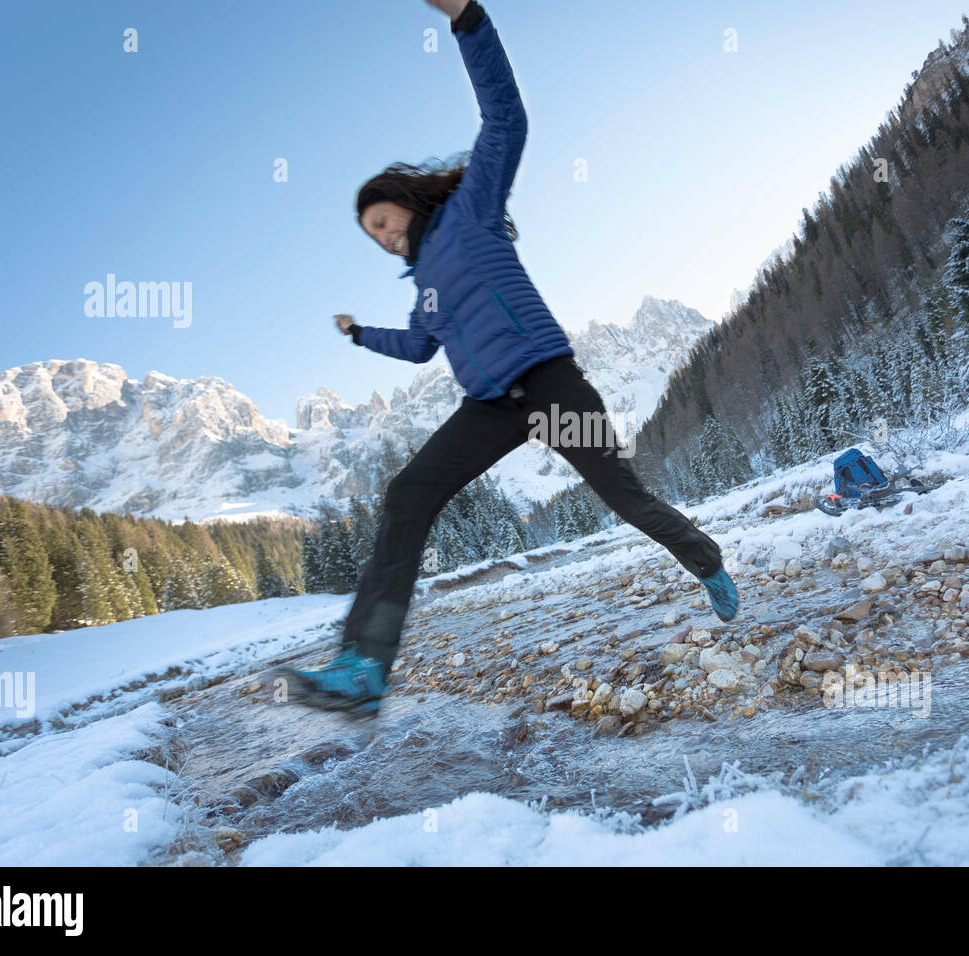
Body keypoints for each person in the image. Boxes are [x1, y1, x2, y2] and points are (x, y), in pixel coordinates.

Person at [283, 0, 739, 716]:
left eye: (382, 223)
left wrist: (467, 18)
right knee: (407, 495)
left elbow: (505, 119)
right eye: (371, 238)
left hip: (551, 382)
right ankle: (364, 665)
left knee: (622, 494)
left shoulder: (472, 207)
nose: (382, 240)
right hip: (489, 408)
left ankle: (704, 559)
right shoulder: (426, 288)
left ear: (402, 200)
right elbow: (417, 347)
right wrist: (358, 335)